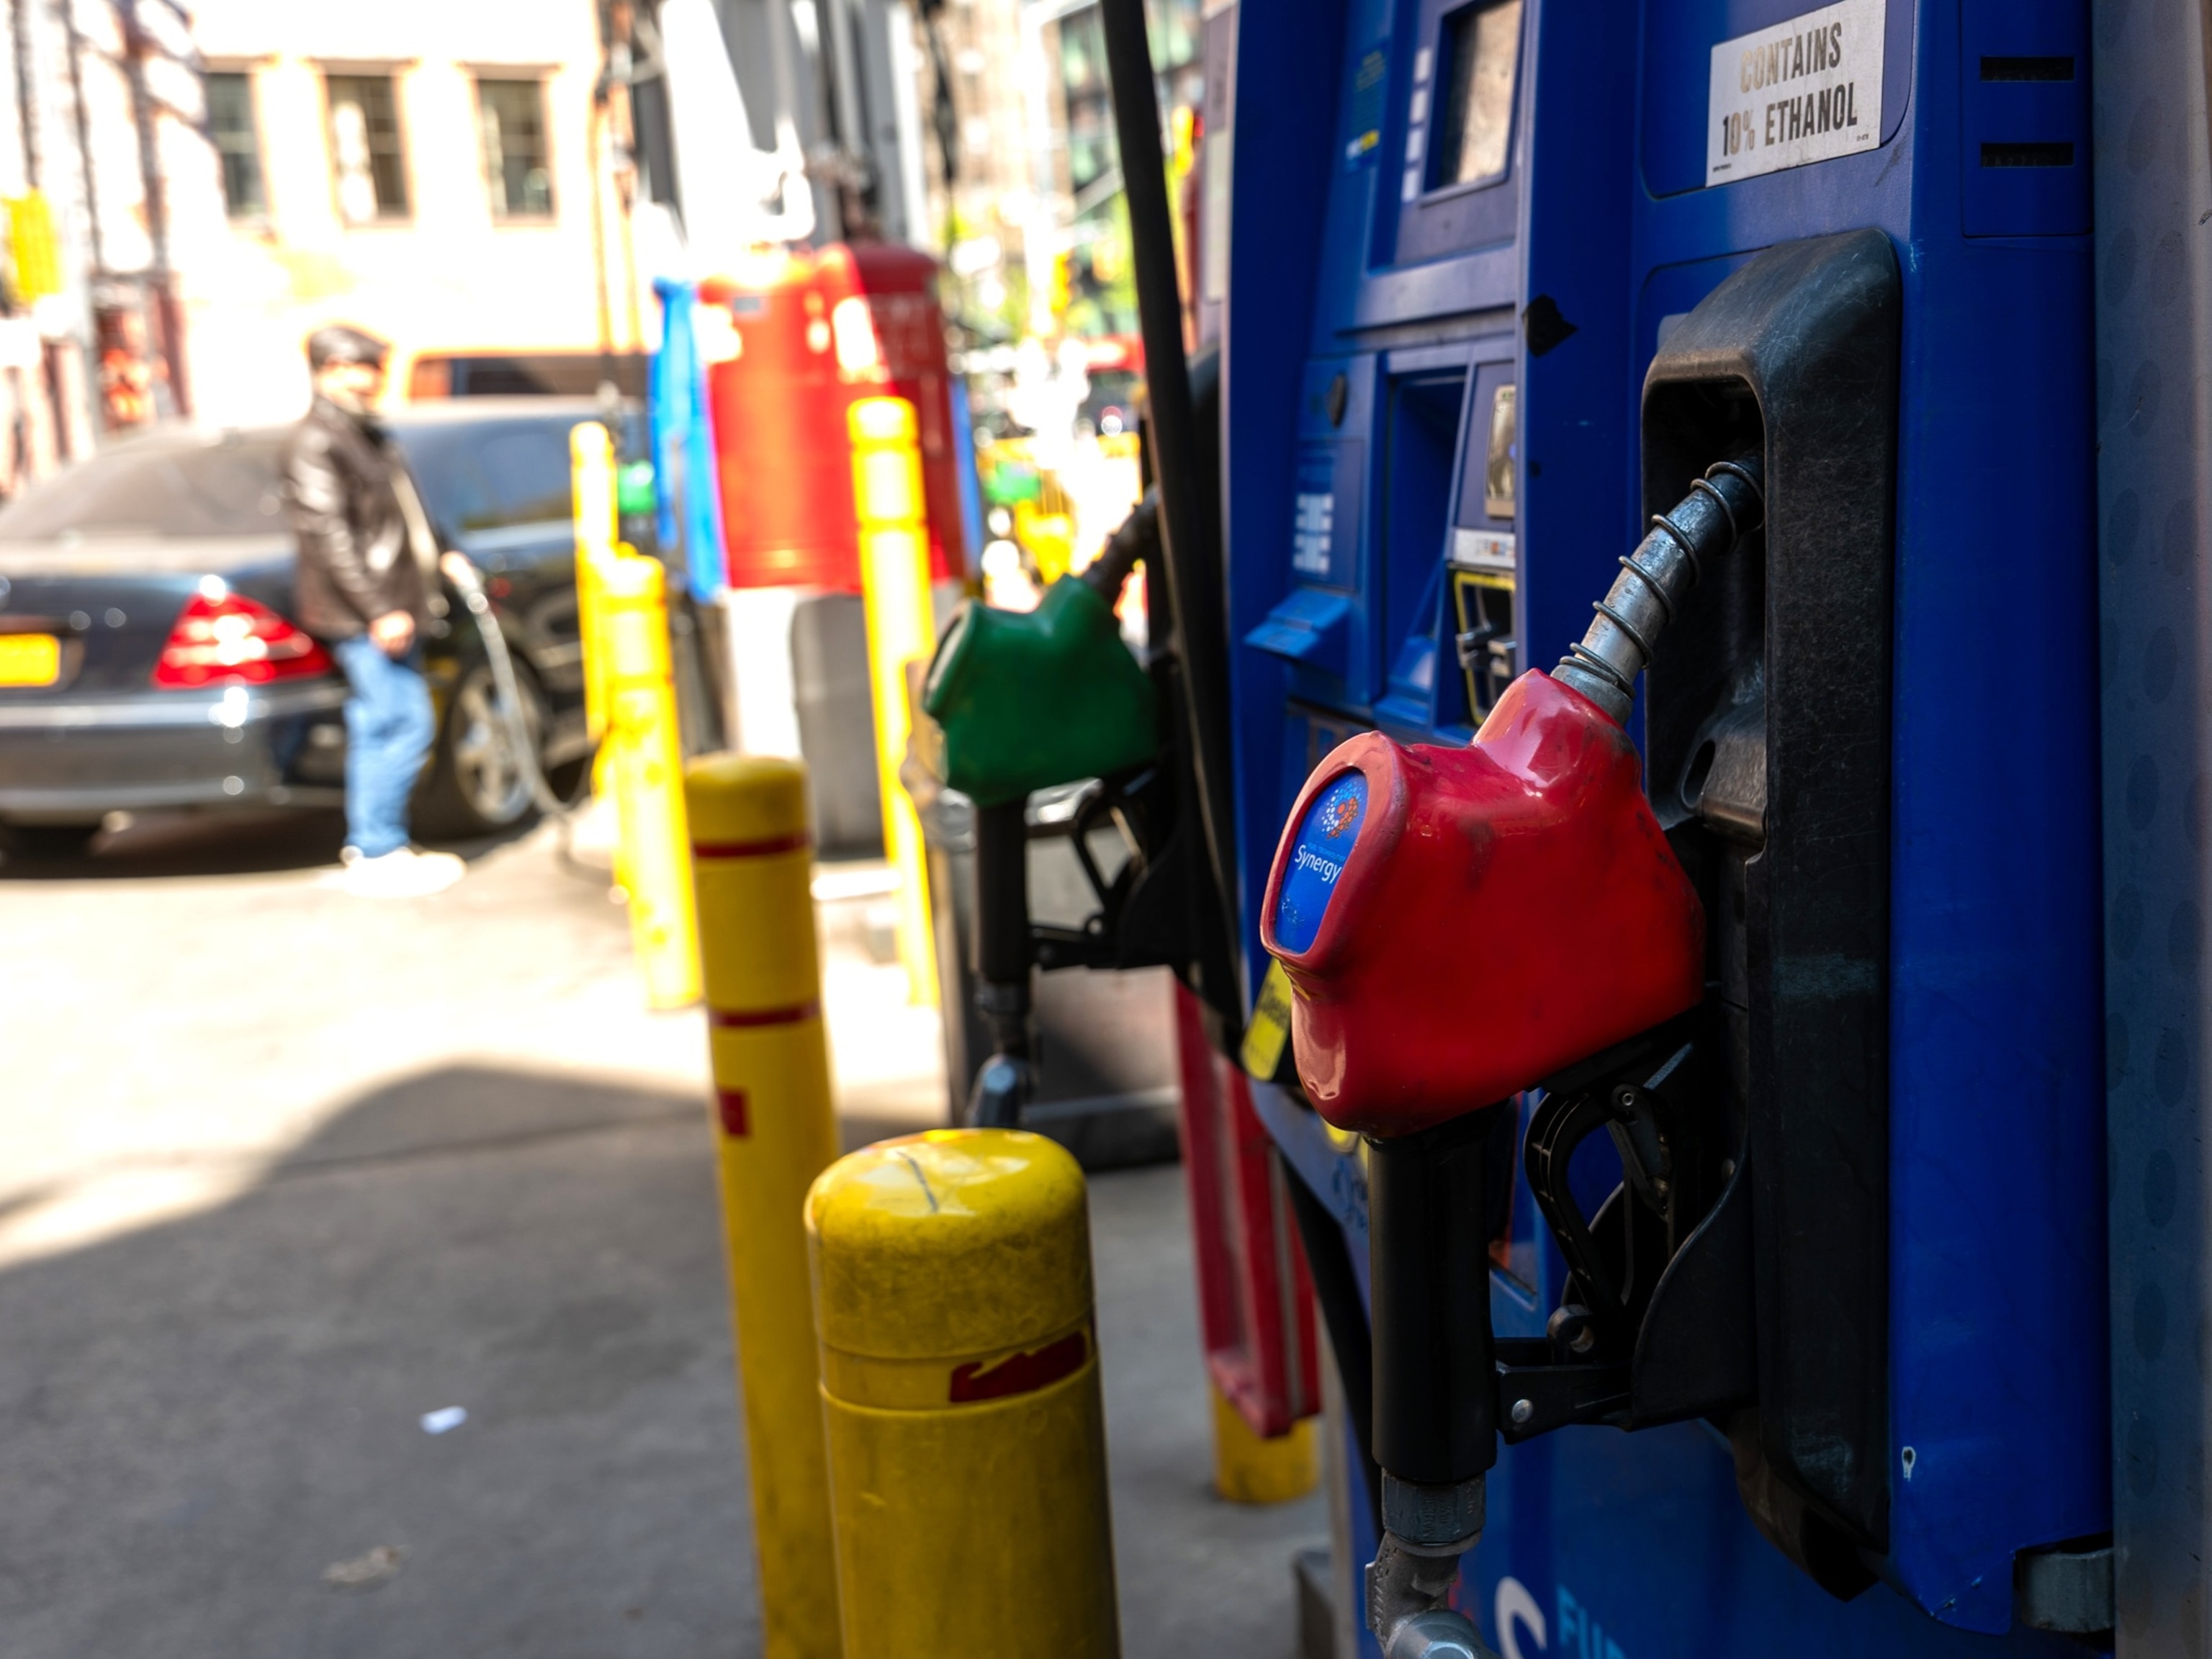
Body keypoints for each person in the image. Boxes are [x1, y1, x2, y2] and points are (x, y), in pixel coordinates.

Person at [284, 324, 465, 897]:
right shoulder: (318, 442)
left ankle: (379, 842)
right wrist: (379, 609)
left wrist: (446, 552)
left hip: (396, 603)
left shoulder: (365, 433)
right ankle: (377, 847)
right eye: (370, 370)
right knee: (400, 722)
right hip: (371, 614)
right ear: (335, 370)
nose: (378, 382)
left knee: (383, 722)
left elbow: (404, 512)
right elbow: (330, 536)